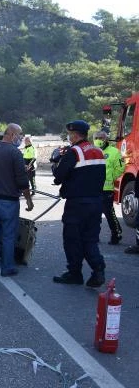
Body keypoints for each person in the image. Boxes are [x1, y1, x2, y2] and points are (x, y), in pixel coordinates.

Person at [52, 120, 107, 287]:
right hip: (96, 202)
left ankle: (74, 273)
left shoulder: (73, 152)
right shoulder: (98, 151)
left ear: (75, 135)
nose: (69, 138)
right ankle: (98, 270)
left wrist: (56, 162)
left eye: (70, 135)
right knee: (90, 239)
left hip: (77, 204)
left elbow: (59, 177)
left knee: (72, 239)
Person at [0, 123, 34, 277]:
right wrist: (29, 200)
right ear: (12, 134)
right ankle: (7, 267)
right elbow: (22, 181)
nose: (21, 138)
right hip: (9, 202)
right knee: (8, 236)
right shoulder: (15, 153)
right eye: (20, 134)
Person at [93, 130, 124, 245]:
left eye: (101, 138)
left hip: (107, 189)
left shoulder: (114, 152)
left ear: (106, 139)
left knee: (109, 213)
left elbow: (120, 168)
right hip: (93, 189)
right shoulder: (91, 151)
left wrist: (110, 178)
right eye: (96, 138)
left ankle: (116, 234)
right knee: (93, 214)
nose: (98, 140)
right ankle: (94, 236)